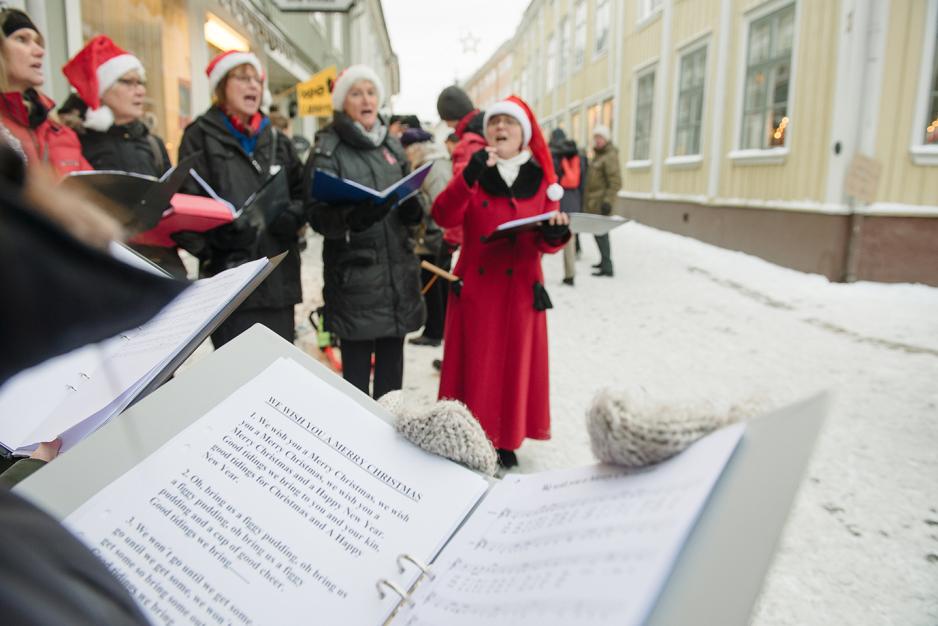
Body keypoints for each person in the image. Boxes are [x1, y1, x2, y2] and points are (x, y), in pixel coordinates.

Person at [431, 95, 570, 469]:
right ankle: (469, 434)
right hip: (477, 288)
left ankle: (506, 439)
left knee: (513, 366)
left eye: (509, 122)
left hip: (522, 289)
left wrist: (555, 234)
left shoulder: (541, 180)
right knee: (477, 366)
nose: (501, 127)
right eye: (494, 122)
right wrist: (468, 176)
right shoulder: (474, 170)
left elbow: (547, 241)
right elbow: (444, 215)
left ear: (523, 134)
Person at [305, 64, 425, 399]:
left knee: (391, 391)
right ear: (343, 102)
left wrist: (415, 208)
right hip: (355, 281)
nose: (366, 99)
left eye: (371, 92)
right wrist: (352, 217)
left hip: (396, 279)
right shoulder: (328, 149)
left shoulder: (392, 146)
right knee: (355, 389)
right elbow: (315, 214)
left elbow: (410, 190)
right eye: (356, 93)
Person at [177, 50, 306, 347]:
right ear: (222, 85)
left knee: (278, 367)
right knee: (236, 369)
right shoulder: (198, 136)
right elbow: (186, 204)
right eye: (243, 78)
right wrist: (215, 245)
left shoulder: (277, 139)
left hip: (277, 276)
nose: (252, 86)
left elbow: (302, 192)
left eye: (256, 80)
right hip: (229, 281)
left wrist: (293, 217)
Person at [62, 35, 185, 278]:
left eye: (141, 83)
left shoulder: (153, 143)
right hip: (107, 266)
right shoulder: (77, 141)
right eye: (128, 82)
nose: (139, 91)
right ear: (102, 89)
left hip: (161, 263)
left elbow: (171, 202)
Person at [0, 8, 90, 177]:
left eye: (37, 42)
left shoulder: (59, 132)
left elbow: (91, 189)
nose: (39, 51)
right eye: (22, 39)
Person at [401, 127, 452, 347]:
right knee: (434, 285)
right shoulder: (426, 164)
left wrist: (418, 204)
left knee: (435, 286)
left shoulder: (435, 167)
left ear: (415, 148)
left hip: (435, 236)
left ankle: (435, 331)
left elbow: (441, 206)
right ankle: (436, 328)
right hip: (429, 235)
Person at [550, 128, 588, 286]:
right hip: (573, 200)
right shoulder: (578, 155)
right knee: (569, 237)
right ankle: (570, 274)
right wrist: (581, 202)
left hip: (555, 200)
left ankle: (533, 270)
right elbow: (583, 182)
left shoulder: (553, 154)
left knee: (544, 232)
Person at [585, 124, 621, 277]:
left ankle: (607, 267)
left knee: (602, 234)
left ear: (606, 139)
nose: (597, 140)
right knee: (597, 233)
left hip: (602, 203)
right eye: (596, 137)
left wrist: (608, 201)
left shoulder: (609, 156)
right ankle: (603, 261)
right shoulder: (598, 155)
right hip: (594, 203)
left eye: (600, 138)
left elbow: (615, 182)